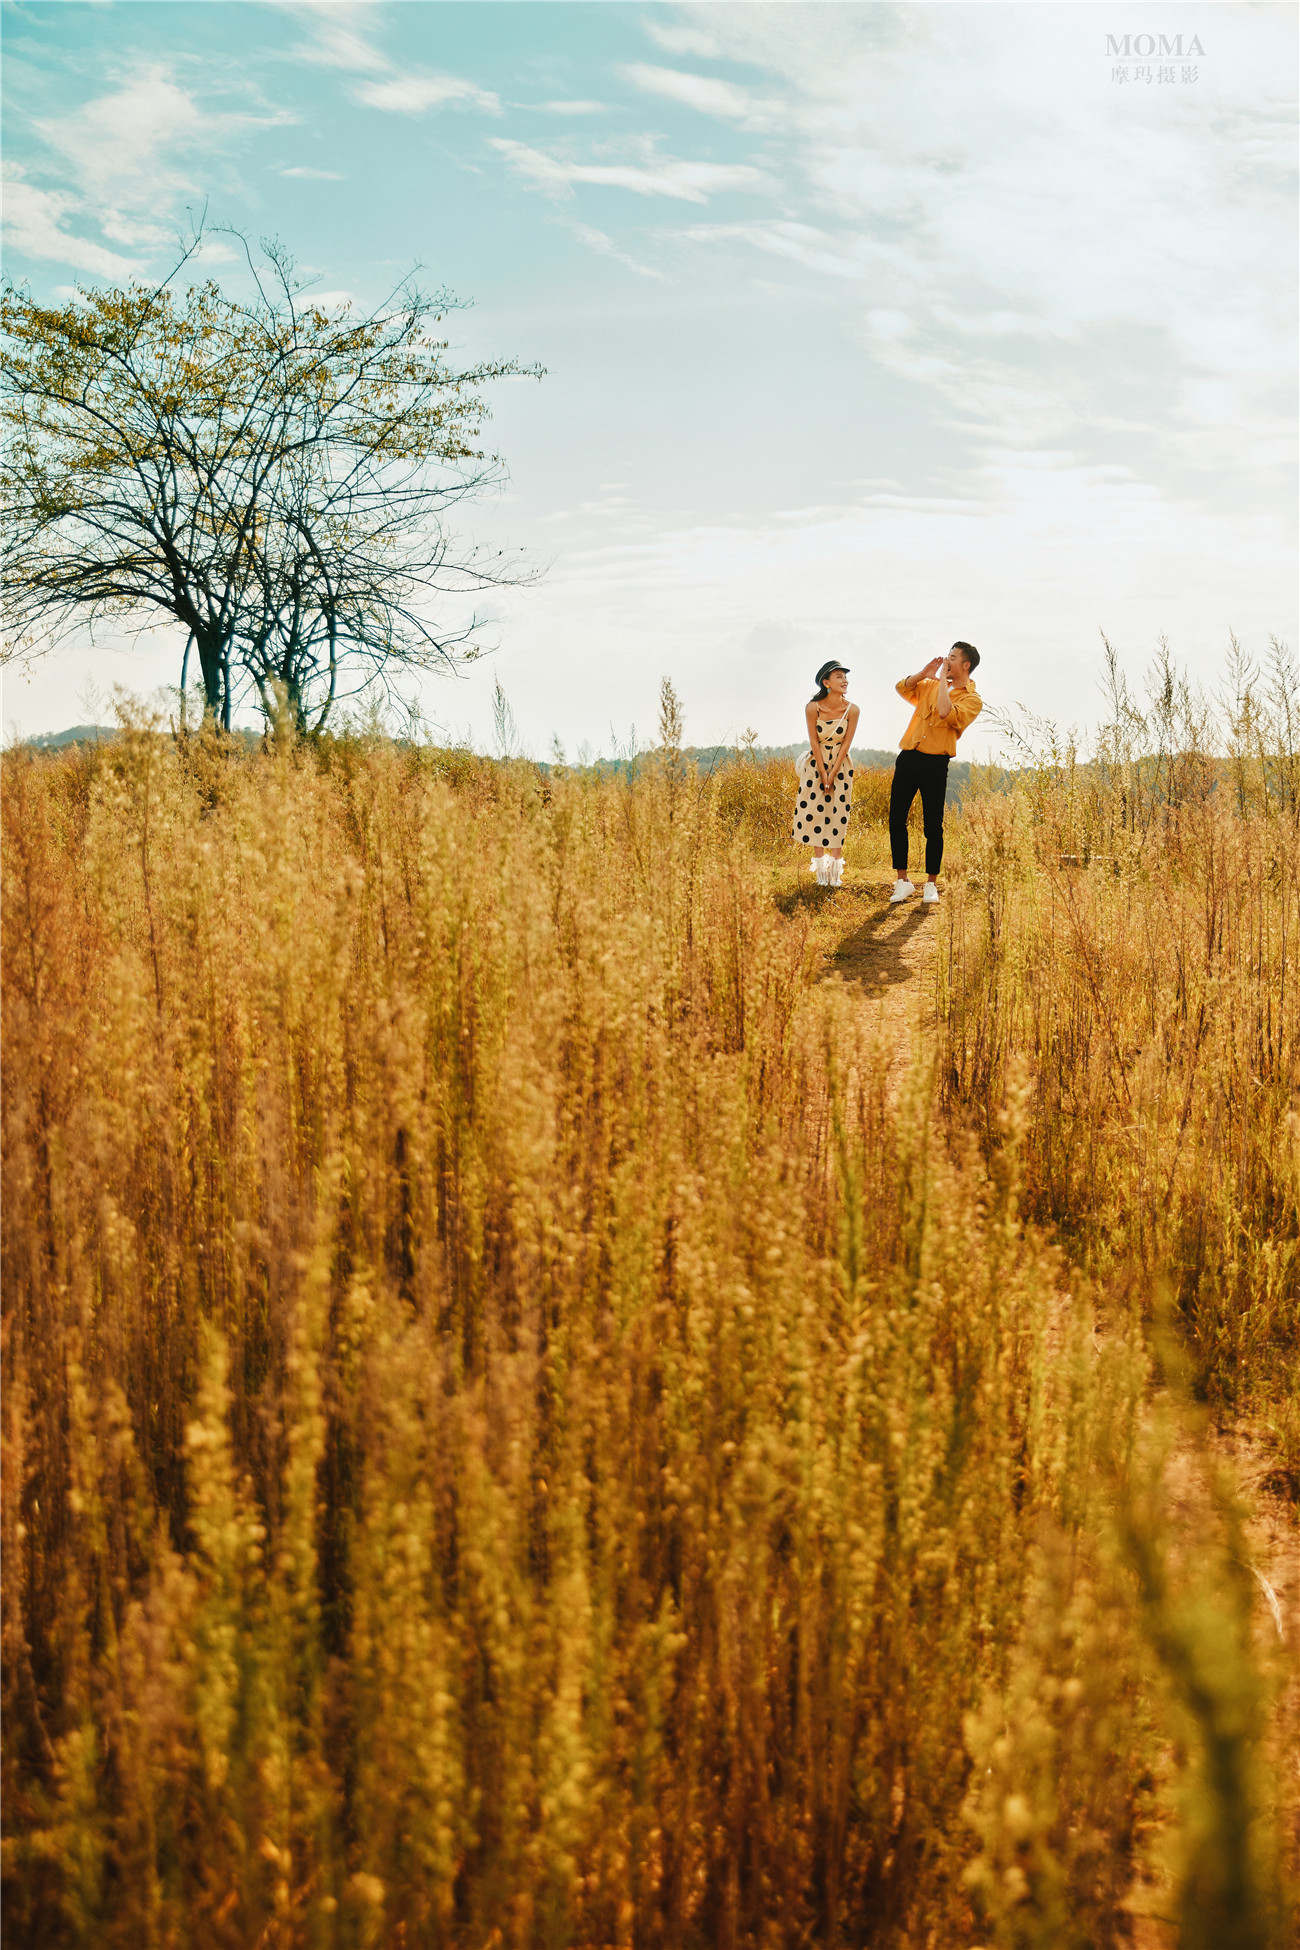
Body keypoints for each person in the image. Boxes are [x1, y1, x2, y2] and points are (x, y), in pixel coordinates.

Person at [888, 642, 983, 905]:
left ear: (966, 665)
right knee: (896, 819)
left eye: (952, 657)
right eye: (947, 656)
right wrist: (923, 674)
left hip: (935, 764)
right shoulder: (928, 685)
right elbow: (901, 687)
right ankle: (902, 881)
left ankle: (931, 884)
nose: (947, 661)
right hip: (908, 757)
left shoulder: (971, 699)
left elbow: (945, 711)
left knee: (933, 825)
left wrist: (941, 680)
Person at [792, 661, 859, 886]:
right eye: (839, 676)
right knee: (815, 812)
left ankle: (835, 870)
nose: (845, 680)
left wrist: (833, 772)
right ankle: (821, 867)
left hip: (841, 765)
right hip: (816, 763)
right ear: (826, 682)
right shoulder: (813, 707)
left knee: (839, 813)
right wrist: (822, 772)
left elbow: (847, 743)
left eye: (845, 677)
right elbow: (813, 740)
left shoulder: (853, 710)